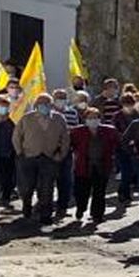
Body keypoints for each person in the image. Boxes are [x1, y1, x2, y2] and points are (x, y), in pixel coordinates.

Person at [13, 92, 69, 225]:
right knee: (27, 186)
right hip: (29, 157)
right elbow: (16, 137)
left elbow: (65, 138)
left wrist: (60, 154)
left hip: (49, 158)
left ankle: (45, 214)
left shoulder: (59, 119)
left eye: (47, 104)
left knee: (47, 187)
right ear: (36, 105)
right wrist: (20, 153)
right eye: (41, 104)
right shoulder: (27, 118)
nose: (45, 106)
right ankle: (27, 204)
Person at [70, 106, 119, 225]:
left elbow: (118, 143)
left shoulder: (109, 131)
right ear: (85, 119)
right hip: (83, 166)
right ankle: (81, 209)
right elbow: (70, 145)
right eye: (90, 117)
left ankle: (97, 215)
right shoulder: (77, 131)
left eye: (96, 117)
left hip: (102, 166)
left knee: (99, 192)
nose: (93, 120)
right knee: (82, 191)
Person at [51, 87, 78, 217]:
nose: (61, 100)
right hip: (49, 150)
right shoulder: (48, 113)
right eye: (58, 98)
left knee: (66, 179)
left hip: (67, 150)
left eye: (63, 98)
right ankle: (45, 204)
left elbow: (75, 130)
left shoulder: (72, 113)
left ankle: (62, 206)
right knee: (47, 179)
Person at [0, 94, 15, 208]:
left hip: (6, 154)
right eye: (0, 106)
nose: (3, 109)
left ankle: (5, 197)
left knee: (6, 177)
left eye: (5, 106)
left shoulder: (10, 123)